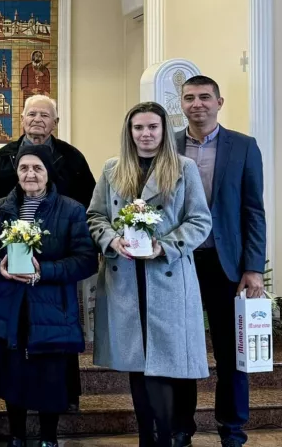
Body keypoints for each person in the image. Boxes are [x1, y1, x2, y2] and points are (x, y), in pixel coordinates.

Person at [87, 101, 212, 447]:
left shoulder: (183, 168)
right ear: (130, 132)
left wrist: (165, 246)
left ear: (163, 131)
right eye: (138, 128)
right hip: (126, 278)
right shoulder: (113, 169)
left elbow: (200, 220)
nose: (145, 134)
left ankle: (170, 435)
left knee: (167, 364)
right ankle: (148, 437)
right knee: (138, 364)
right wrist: (112, 239)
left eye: (152, 127)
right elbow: (95, 216)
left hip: (167, 276)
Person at [0, 94, 95, 411]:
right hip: (10, 284)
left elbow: (89, 206)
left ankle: (60, 406)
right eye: (32, 114)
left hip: (56, 277)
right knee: (11, 356)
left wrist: (51, 264)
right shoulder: (4, 158)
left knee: (53, 352)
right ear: (22, 118)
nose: (38, 120)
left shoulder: (72, 158)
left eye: (45, 115)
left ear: (56, 122)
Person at [172, 76, 267, 447]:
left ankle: (232, 429)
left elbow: (253, 211)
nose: (197, 104)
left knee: (232, 352)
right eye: (190, 98)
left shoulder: (243, 146)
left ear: (219, 102)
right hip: (179, 264)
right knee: (181, 350)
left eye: (205, 97)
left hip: (226, 264)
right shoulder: (169, 144)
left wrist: (254, 267)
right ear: (181, 103)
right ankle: (182, 427)